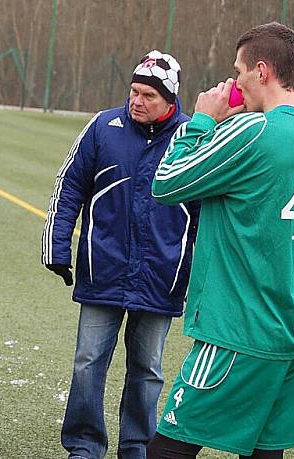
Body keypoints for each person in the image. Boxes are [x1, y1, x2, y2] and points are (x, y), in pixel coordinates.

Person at [146, 23, 294, 458]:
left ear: (261, 71)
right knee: (264, 453)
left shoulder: (251, 131)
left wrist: (201, 120)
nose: (233, 82)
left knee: (168, 450)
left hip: (238, 335)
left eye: (238, 72)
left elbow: (165, 183)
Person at [42, 50, 198, 459]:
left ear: (170, 100)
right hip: (102, 269)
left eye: (148, 94)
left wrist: (198, 272)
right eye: (133, 91)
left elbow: (204, 213)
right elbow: (69, 185)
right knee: (88, 361)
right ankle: (84, 446)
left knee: (148, 372)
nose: (137, 101)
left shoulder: (192, 137)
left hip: (162, 276)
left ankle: (137, 448)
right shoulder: (102, 127)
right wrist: (57, 246)